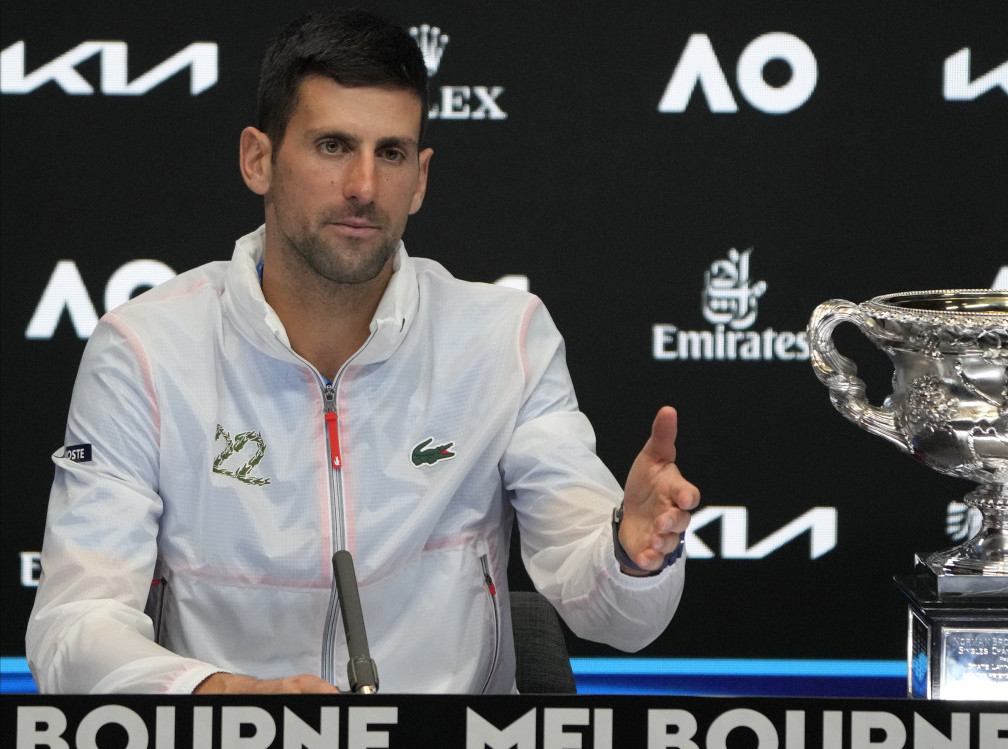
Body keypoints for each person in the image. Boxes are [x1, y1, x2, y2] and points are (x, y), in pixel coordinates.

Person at [26, 9, 699, 695]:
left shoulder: (504, 340)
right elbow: (74, 626)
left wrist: (631, 555)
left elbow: (618, 618)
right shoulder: (144, 350)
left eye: (391, 153)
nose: (364, 188)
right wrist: (218, 696)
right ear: (258, 159)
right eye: (332, 146)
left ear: (422, 176)